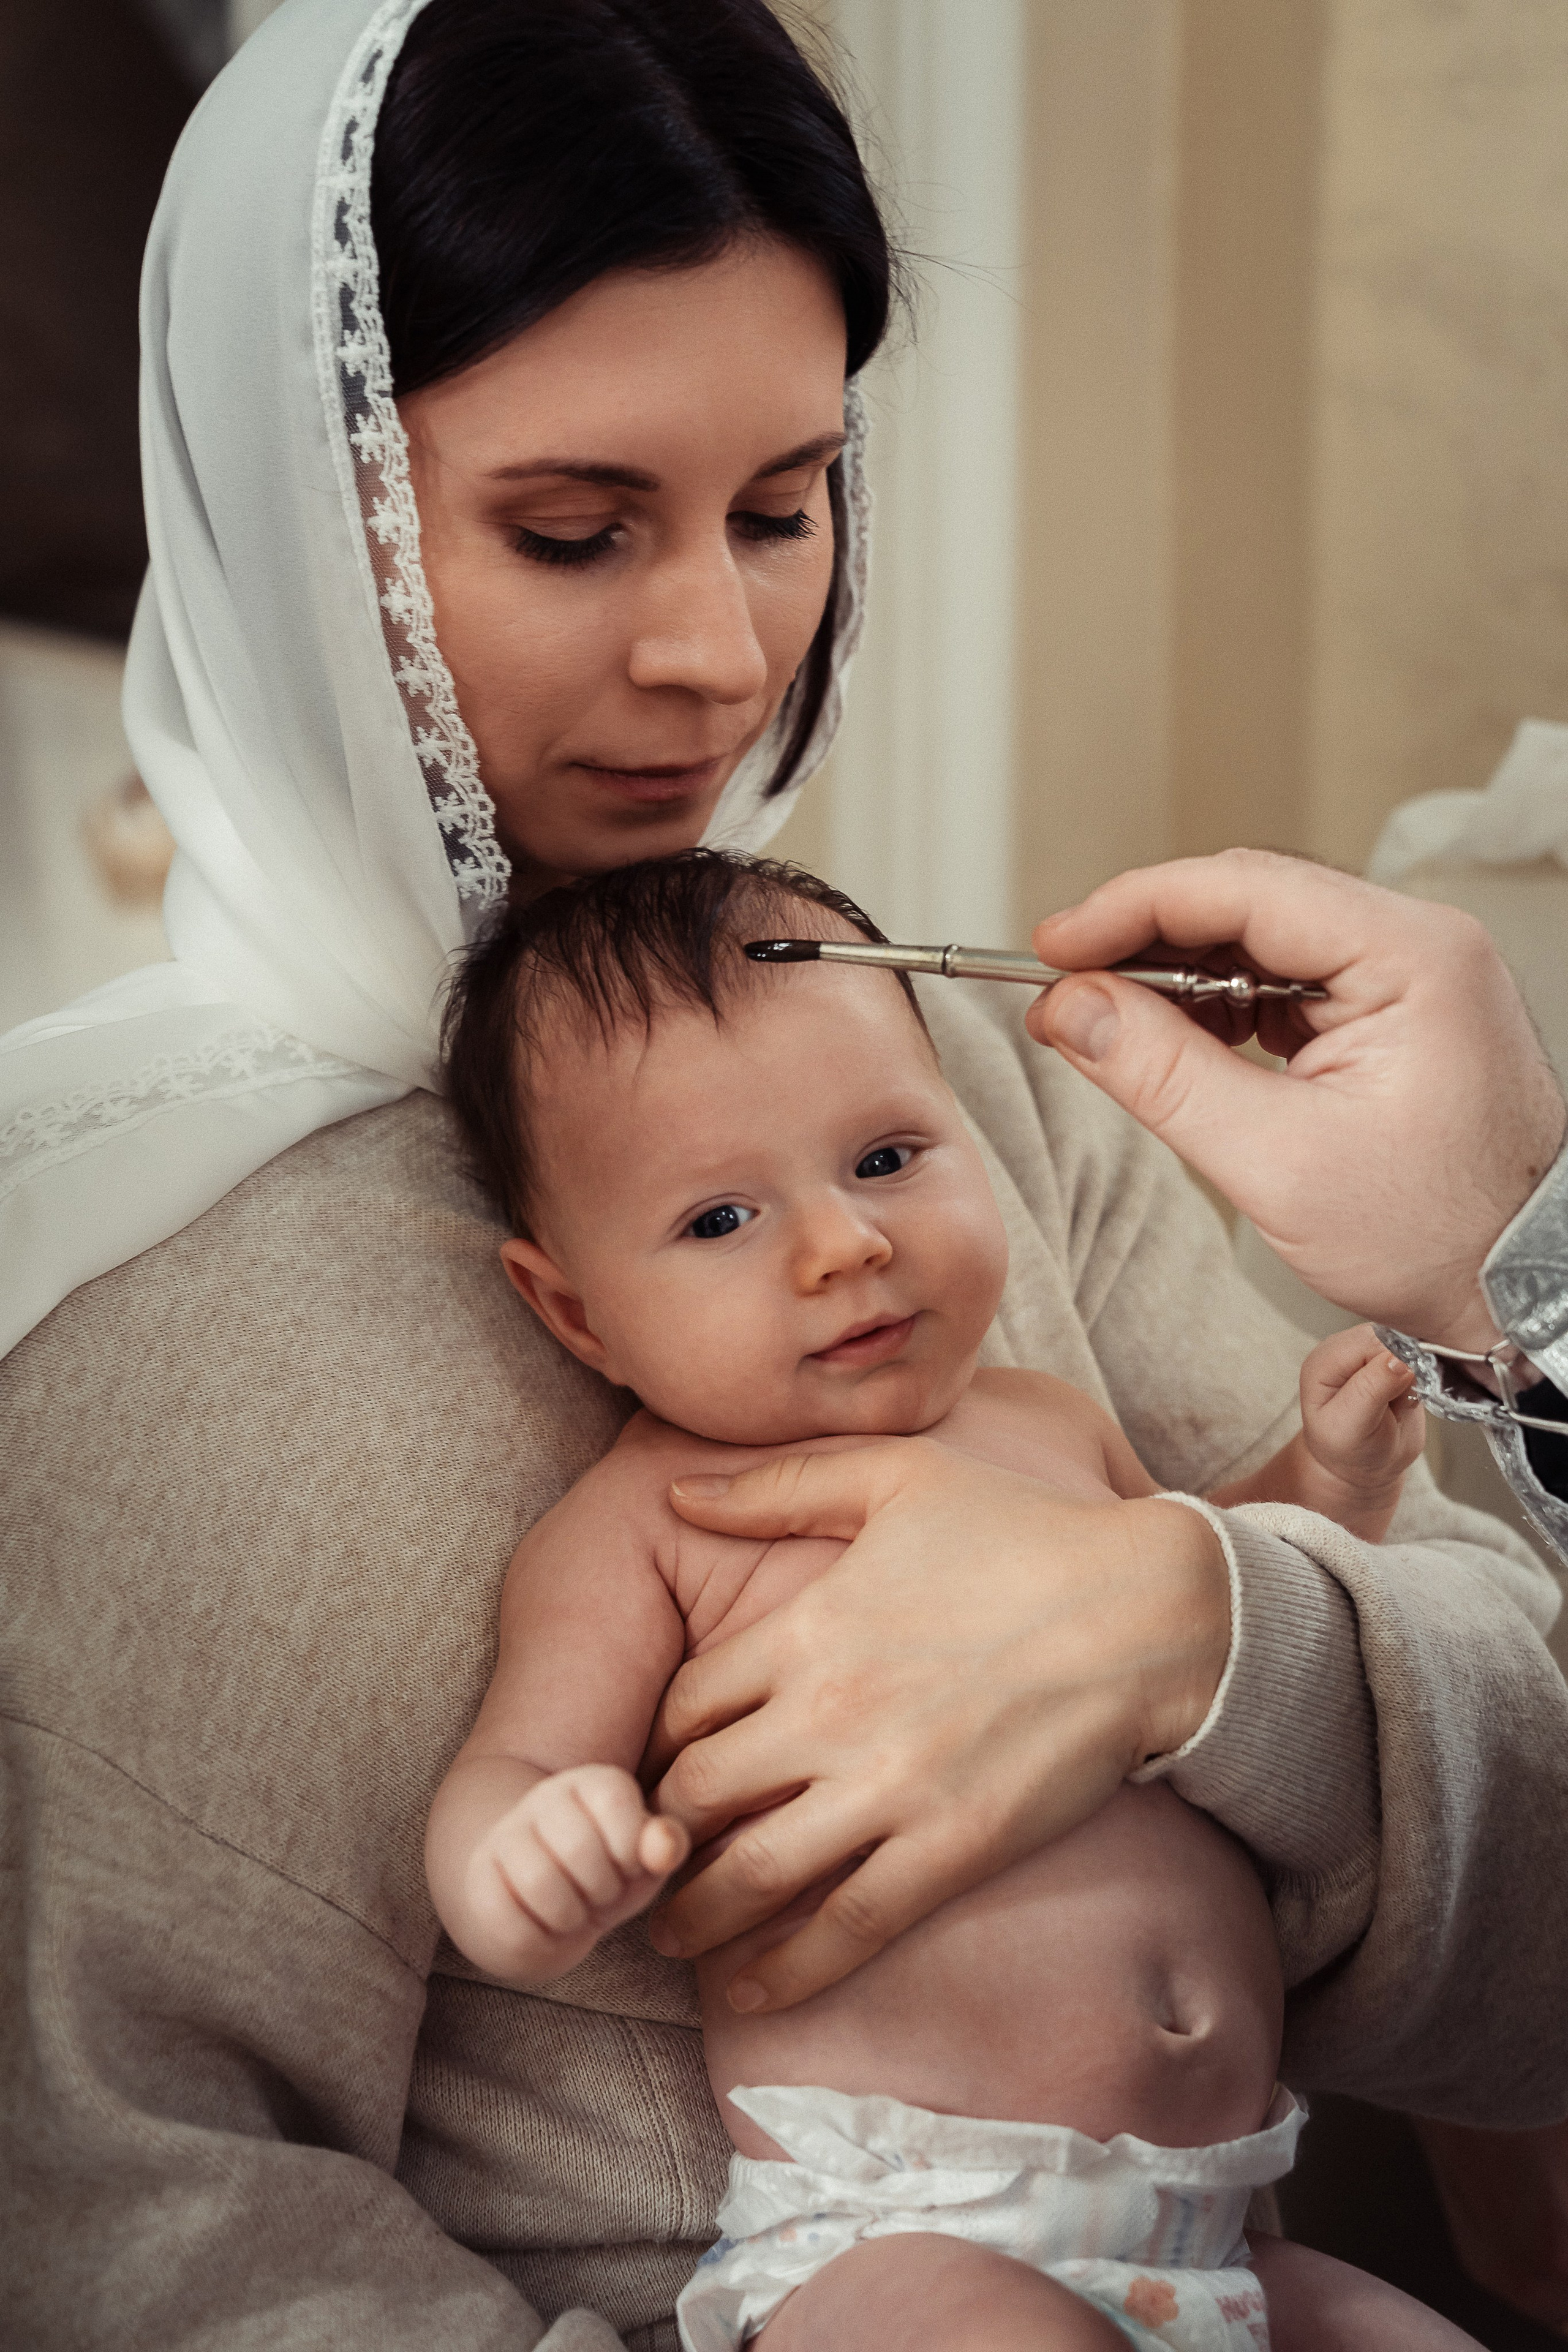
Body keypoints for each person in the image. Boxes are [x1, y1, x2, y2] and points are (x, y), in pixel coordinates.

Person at [2, 3, 1564, 2347]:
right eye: (571, 526)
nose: (725, 658)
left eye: (783, 502)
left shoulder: (959, 1087)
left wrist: (1204, 1624)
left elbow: (1536, 1900)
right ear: (287, 495)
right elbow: (145, 2229)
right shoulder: (126, 1311)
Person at [428, 846, 1472, 2352]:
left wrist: (1328, 1488)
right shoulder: (650, 1526)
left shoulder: (1045, 1419)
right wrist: (523, 1867)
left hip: (1221, 2220)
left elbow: (1196, 1604)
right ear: (574, 1310)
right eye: (719, 1221)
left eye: (885, 1158)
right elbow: (513, 1769)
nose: (845, 1244)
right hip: (907, 2239)